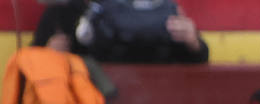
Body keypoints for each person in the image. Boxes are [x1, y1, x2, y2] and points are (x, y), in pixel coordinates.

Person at [33, 0, 209, 63]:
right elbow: (29, 64)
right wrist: (48, 56)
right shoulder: (61, 13)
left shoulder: (150, 8)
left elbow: (199, 58)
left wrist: (192, 41)